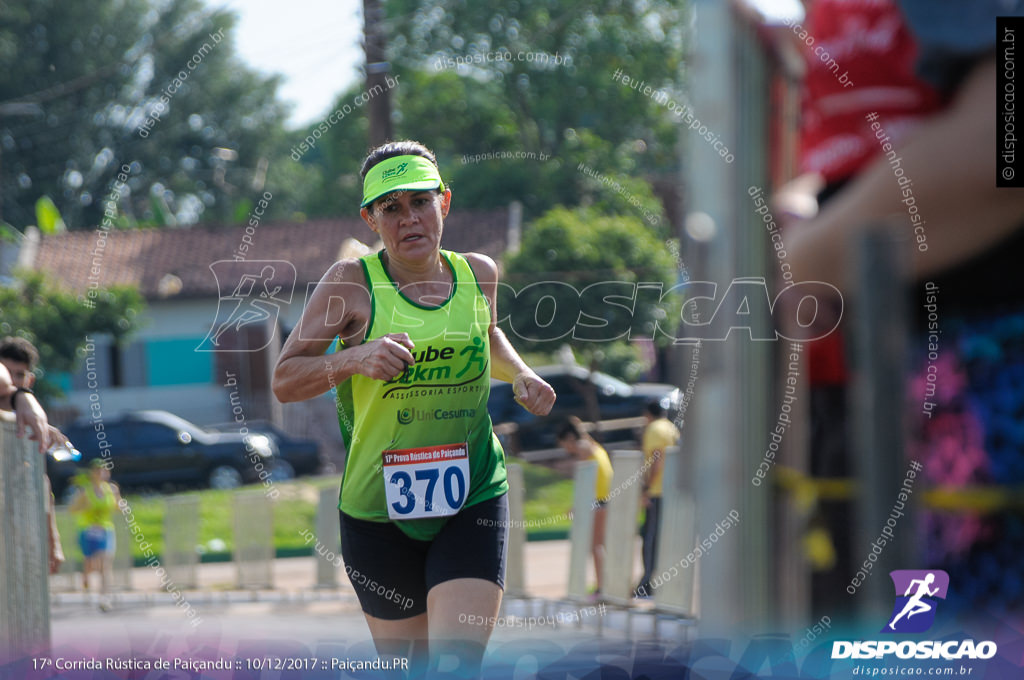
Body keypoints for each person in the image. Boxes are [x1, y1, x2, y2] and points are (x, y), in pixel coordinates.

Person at [272, 140, 555, 675]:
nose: (409, 219)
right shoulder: (349, 284)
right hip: (377, 510)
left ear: (444, 202)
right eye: (391, 208)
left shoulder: (479, 273)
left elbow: (487, 334)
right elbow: (286, 380)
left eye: (420, 202)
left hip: (472, 492)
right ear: (370, 218)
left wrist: (521, 372)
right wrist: (355, 357)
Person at [0, 336, 64, 573]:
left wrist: (53, 541)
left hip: (16, 544)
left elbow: (41, 484)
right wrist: (23, 397)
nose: (12, 383)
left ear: (30, 379)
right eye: (7, 373)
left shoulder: (32, 429)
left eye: (19, 375)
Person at [556, 416, 613, 599]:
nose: (566, 449)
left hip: (598, 502)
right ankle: (606, 585)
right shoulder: (591, 443)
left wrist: (577, 505)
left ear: (570, 440)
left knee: (596, 546)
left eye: (564, 444)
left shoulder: (583, 448)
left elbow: (584, 480)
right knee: (599, 545)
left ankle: (602, 588)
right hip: (603, 500)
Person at [635, 401, 679, 598]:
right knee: (664, 539)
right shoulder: (671, 428)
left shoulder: (653, 429)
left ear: (647, 414)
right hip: (672, 489)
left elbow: (657, 459)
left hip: (658, 490)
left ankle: (647, 584)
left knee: (650, 538)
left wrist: (646, 487)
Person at [69, 458, 121, 611]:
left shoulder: (112, 489)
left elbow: (118, 506)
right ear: (92, 473)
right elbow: (73, 509)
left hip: (105, 530)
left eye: (104, 470)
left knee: (105, 563)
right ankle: (85, 578)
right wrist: (84, 506)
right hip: (88, 530)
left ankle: (104, 598)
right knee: (91, 564)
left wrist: (122, 507)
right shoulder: (85, 490)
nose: (101, 473)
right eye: (97, 470)